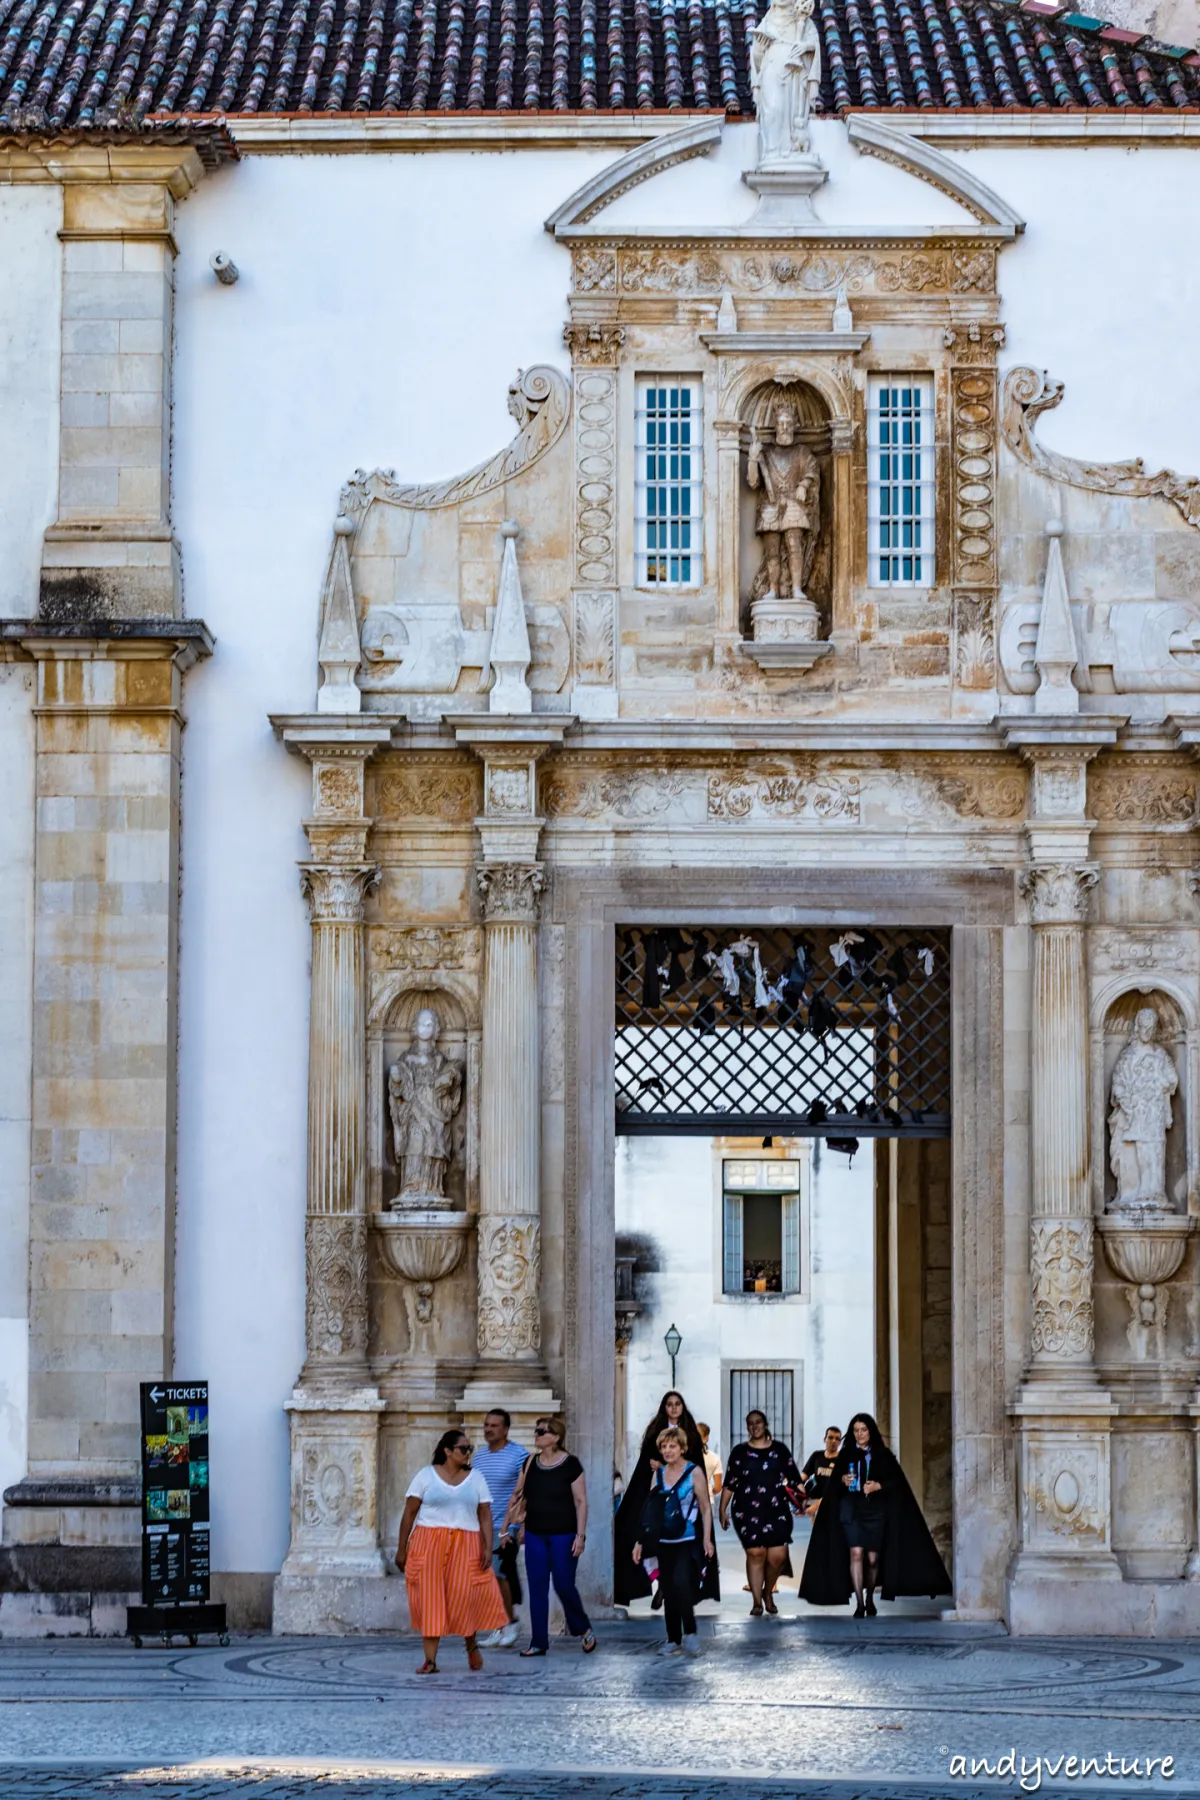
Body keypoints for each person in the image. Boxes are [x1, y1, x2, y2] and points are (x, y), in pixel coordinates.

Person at [800, 1412, 951, 1617]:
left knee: (872, 1559)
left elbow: (897, 1482)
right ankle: (860, 1604)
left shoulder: (883, 1455)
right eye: (856, 1431)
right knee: (856, 1553)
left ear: (870, 1431)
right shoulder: (845, 1455)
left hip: (875, 1511)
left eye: (863, 1430)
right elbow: (833, 1487)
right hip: (851, 1510)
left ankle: (870, 1597)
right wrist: (842, 1480)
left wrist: (878, 1485)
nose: (860, 1434)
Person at [395, 1427, 508, 1673]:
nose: (468, 1453)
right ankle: (431, 1660)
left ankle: (470, 1644)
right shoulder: (425, 1476)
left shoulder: (476, 1477)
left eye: (470, 1449)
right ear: (447, 1451)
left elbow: (485, 1515)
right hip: (428, 1542)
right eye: (463, 1448)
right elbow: (409, 1514)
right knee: (431, 1600)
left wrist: (488, 1547)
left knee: (465, 1598)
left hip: (467, 1543)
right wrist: (401, 1548)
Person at [502, 1414, 596, 1657]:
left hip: (564, 1535)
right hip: (534, 1534)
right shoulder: (530, 1462)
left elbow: (581, 1501)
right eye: (536, 1431)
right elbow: (517, 1495)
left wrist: (581, 1535)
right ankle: (538, 1642)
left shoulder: (571, 1464)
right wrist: (511, 1528)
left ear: (555, 1437)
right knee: (537, 1588)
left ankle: (582, 1628)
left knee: (564, 1585)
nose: (537, 1435)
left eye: (542, 1431)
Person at [613, 1391, 708, 1607]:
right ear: (664, 1407)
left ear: (683, 1407)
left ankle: (673, 1588)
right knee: (649, 1537)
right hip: (657, 1490)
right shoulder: (655, 1430)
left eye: (677, 1404)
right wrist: (657, 1468)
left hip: (683, 1498)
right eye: (669, 1404)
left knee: (680, 1545)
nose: (674, 1408)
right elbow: (647, 1461)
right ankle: (660, 1582)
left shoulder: (690, 1432)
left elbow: (693, 1462)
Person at [633, 1427, 715, 1658]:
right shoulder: (658, 1475)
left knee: (681, 1583)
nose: (667, 1451)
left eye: (672, 1446)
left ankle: (690, 1632)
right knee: (668, 1588)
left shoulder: (694, 1472)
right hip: (663, 1539)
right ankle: (672, 1639)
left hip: (686, 1538)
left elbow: (706, 1508)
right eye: (664, 1447)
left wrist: (707, 1539)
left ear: (682, 1448)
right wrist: (640, 1542)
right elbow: (650, 1511)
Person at [719, 1409, 804, 1617]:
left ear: (765, 1424)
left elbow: (794, 1479)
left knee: (778, 1556)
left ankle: (768, 1591)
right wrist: (722, 1509)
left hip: (776, 1509)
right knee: (755, 1553)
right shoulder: (740, 1452)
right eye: (750, 1423)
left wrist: (807, 1498)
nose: (754, 1426)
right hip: (746, 1510)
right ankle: (757, 1602)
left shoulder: (780, 1450)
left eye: (758, 1422)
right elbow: (730, 1483)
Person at [473, 1407, 527, 1649]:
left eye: (494, 1425)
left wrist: (522, 1524)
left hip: (506, 1526)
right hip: (480, 1526)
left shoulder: (519, 1454)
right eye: (486, 1425)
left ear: (506, 1429)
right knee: (486, 1577)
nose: (488, 1429)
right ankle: (499, 1625)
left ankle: (511, 1621)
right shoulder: (479, 1457)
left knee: (498, 1573)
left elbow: (526, 1491)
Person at [800, 1425, 842, 1516]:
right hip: (814, 1501)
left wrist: (818, 1505)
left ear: (840, 1442)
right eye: (830, 1437)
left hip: (831, 1503)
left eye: (837, 1439)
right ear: (825, 1439)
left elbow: (836, 1488)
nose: (833, 1441)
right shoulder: (816, 1456)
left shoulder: (842, 1460)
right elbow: (803, 1477)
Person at [698, 1422, 723, 1497]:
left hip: (685, 1502)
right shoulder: (714, 1458)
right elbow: (718, 1487)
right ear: (707, 1438)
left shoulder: (683, 1456)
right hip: (706, 1499)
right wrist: (710, 1493)